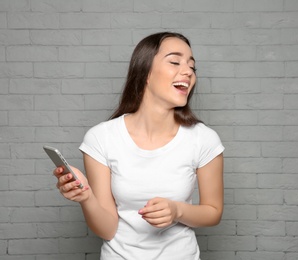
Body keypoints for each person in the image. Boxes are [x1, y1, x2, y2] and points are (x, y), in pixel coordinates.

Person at [53, 32, 225, 260]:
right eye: (175, 62)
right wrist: (87, 197)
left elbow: (213, 213)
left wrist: (177, 211)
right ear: (144, 71)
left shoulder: (204, 139)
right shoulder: (101, 137)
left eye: (192, 67)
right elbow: (107, 229)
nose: (188, 72)